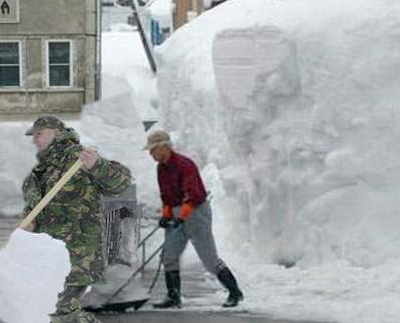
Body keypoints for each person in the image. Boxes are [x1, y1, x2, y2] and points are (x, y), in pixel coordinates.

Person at [21, 115, 132, 323]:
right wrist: (29, 221)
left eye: (38, 134)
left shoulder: (77, 159)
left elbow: (121, 182)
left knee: (55, 312)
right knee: (55, 313)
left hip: (77, 254)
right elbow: (35, 207)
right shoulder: (41, 170)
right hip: (49, 257)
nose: (34, 140)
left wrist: (97, 166)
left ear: (55, 133)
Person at [143, 129, 244, 309]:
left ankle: (234, 292)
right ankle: (173, 297)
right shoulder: (161, 169)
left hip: (196, 212)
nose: (151, 154)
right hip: (177, 213)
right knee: (169, 256)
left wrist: (181, 217)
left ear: (163, 147)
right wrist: (167, 216)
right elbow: (166, 196)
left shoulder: (184, 165)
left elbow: (194, 195)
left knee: (209, 259)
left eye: (153, 150)